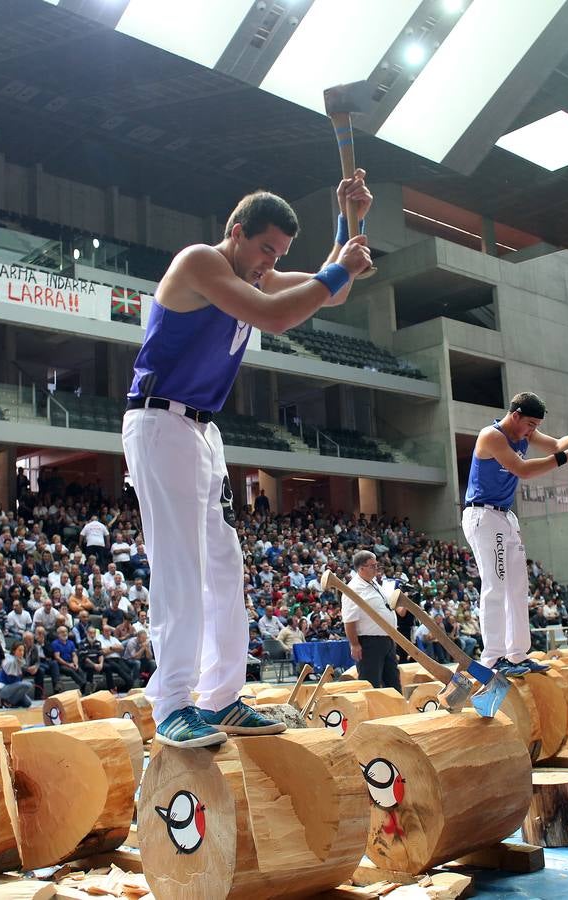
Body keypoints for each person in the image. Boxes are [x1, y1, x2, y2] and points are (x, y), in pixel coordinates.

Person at [121, 173, 374, 747]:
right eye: (265, 250)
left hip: (200, 429)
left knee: (224, 566)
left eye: (278, 255)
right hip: (160, 420)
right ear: (236, 232)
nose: (269, 263)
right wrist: (343, 266)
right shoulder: (201, 263)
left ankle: (220, 698)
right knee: (181, 566)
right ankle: (171, 703)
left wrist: (349, 223)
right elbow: (280, 314)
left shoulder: (250, 273)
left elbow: (328, 289)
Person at [462, 392, 568, 676]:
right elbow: (522, 469)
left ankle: (517, 654)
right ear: (515, 415)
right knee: (495, 585)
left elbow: (558, 444)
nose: (532, 431)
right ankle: (493, 658)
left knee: (518, 588)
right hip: (483, 515)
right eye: (530, 424)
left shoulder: (525, 433)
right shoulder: (492, 436)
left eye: (536, 426)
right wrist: (562, 459)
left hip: (505, 516)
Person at [342, 550, 402, 691]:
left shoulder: (374, 582)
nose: (376, 568)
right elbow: (349, 620)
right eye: (372, 566)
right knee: (371, 683)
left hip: (387, 639)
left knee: (393, 683)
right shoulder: (353, 589)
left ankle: (395, 711)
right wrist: (354, 644)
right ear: (361, 568)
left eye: (376, 565)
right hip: (369, 642)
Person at [0, 642, 33, 709]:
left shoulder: (20, 661)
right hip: (3, 688)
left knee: (28, 703)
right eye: (19, 650)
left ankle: (12, 701)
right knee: (28, 685)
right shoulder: (10, 661)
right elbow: (11, 680)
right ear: (14, 651)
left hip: (13, 687)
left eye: (23, 650)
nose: (22, 652)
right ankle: (6, 701)